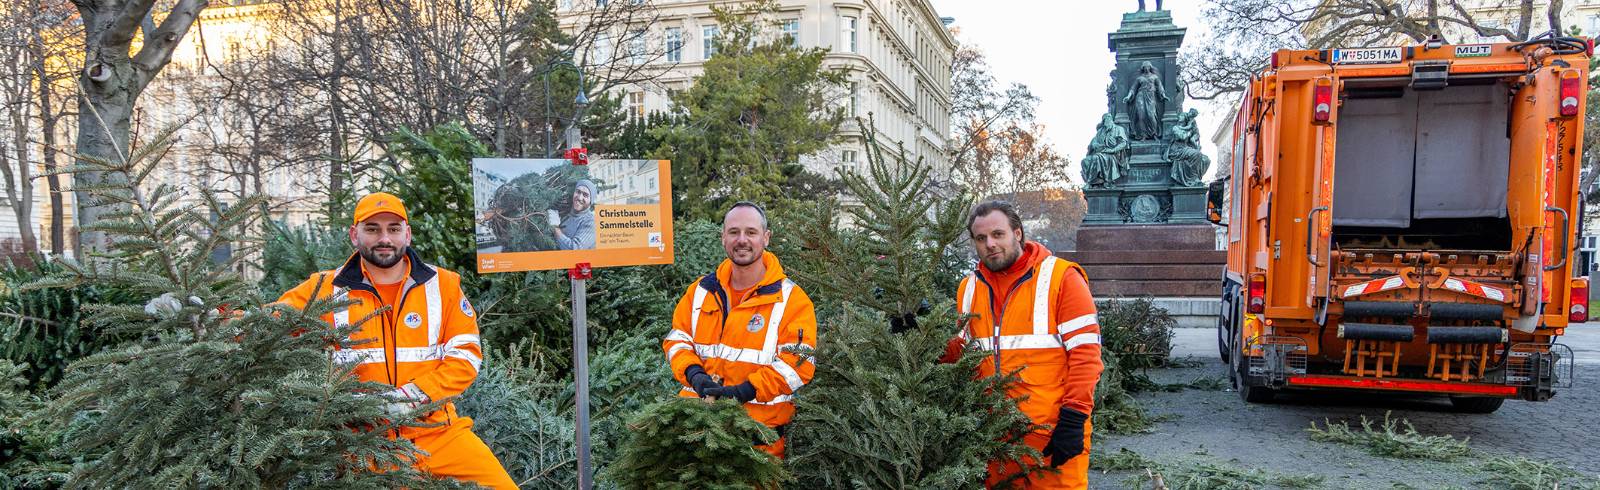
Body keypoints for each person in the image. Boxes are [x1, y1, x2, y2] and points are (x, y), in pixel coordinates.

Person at [277, 192, 515, 489]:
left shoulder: (444, 285)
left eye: (393, 228)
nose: (384, 238)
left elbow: (465, 357)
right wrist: (216, 314)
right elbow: (268, 324)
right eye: (372, 229)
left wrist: (415, 396)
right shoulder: (324, 288)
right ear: (355, 234)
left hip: (440, 433)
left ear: (408, 233)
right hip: (364, 444)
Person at [939, 201, 1105, 489]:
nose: (990, 244)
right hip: (992, 439)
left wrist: (1074, 418)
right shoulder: (969, 288)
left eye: (998, 234)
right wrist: (922, 341)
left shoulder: (1061, 277)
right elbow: (962, 354)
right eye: (981, 238)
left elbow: (1086, 355)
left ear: (1017, 233)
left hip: (1049, 435)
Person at [660, 201, 818, 458]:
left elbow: (798, 366)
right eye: (734, 232)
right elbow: (677, 340)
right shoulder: (700, 291)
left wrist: (744, 391)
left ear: (766, 238)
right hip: (695, 437)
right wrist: (694, 374)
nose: (741, 240)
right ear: (723, 237)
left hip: (757, 446)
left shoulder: (792, 300)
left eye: (751, 232)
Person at [550, 179, 597, 250]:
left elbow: (575, 248)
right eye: (578, 192)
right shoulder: (566, 212)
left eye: (585, 195)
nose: (580, 198)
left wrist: (555, 227)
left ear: (591, 201)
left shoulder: (591, 222)